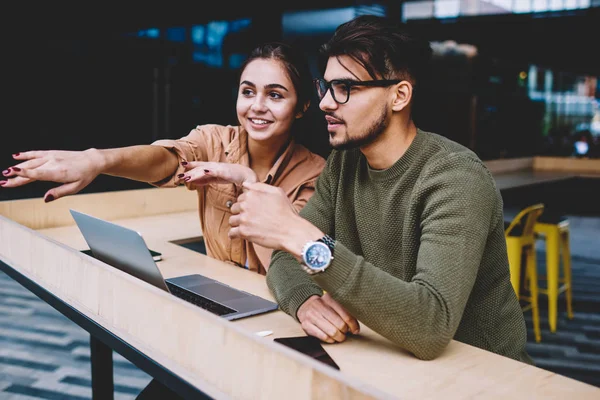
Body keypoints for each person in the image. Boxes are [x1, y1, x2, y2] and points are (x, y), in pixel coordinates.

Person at [227, 15, 532, 364]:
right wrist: (305, 301)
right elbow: (285, 258)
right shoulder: (345, 164)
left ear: (399, 95)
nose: (326, 102)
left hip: (483, 375)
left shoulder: (456, 177)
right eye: (325, 87)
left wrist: (299, 235)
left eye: (346, 88)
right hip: (391, 360)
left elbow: (430, 326)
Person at [1, 42, 326, 275]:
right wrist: (97, 160)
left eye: (275, 95)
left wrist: (247, 182)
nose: (257, 105)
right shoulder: (214, 139)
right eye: (248, 91)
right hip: (216, 296)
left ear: (302, 107)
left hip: (277, 316)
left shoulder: (316, 175)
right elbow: (167, 160)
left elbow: (288, 272)